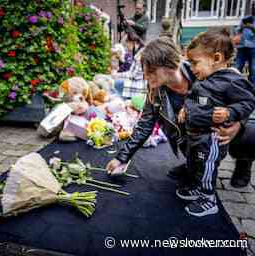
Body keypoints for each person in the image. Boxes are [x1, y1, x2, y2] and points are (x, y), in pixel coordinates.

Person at [106, 37, 248, 205]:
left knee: (250, 134)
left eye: (150, 71)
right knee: (194, 160)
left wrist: (239, 125)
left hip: (216, 136)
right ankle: (192, 165)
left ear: (168, 65)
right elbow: (145, 124)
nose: (145, 76)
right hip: (190, 138)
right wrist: (122, 157)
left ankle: (244, 163)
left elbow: (244, 98)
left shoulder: (205, 73)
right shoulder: (156, 89)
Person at [176, 28, 255, 217]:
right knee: (194, 163)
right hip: (196, 134)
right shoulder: (203, 79)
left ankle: (209, 198)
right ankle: (197, 188)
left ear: (217, 58)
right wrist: (185, 109)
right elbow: (192, 97)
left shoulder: (231, 81)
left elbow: (249, 101)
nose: (193, 68)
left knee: (206, 167)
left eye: (195, 63)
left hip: (212, 137)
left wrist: (230, 112)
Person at [235, 1, 255, 85]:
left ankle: (252, 87)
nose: (253, 7)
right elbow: (237, 30)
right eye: (253, 6)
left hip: (253, 47)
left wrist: (251, 27)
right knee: (238, 67)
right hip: (242, 46)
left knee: (253, 69)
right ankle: (235, 84)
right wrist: (242, 27)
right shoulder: (246, 18)